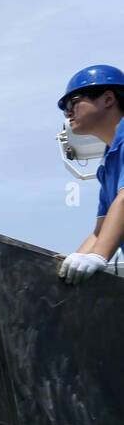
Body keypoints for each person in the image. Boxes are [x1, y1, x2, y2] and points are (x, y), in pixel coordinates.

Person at [59, 65, 124, 285]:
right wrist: (65, 274)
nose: (68, 113)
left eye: (73, 102)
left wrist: (98, 257)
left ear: (107, 99)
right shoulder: (107, 166)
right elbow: (100, 231)